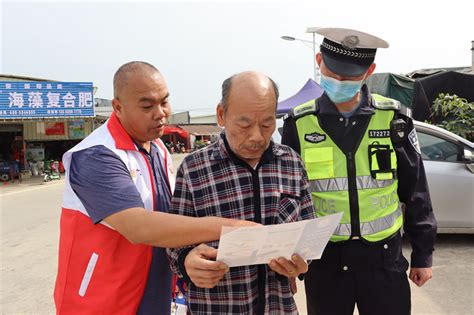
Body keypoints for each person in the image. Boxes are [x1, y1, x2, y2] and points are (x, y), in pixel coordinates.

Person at [53, 61, 256, 315]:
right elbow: (139, 227)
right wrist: (230, 228)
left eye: (165, 101)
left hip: (151, 294)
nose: (161, 113)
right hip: (102, 301)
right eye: (147, 106)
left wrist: (189, 254)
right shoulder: (95, 156)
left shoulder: (158, 148)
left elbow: (170, 219)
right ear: (118, 107)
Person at [282, 27, 437, 315]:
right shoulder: (299, 123)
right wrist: (288, 262)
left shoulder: (395, 119)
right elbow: (287, 198)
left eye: (351, 76)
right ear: (319, 61)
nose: (340, 82)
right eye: (334, 73)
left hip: (383, 261)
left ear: (370, 71)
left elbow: (415, 190)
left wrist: (423, 254)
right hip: (325, 264)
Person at [166, 71, 315, 314]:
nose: (257, 136)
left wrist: (301, 262)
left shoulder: (291, 163)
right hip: (217, 307)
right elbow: (172, 240)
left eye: (267, 124)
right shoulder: (194, 169)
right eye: (244, 124)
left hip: (278, 307)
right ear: (221, 115)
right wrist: (185, 261)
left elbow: (308, 227)